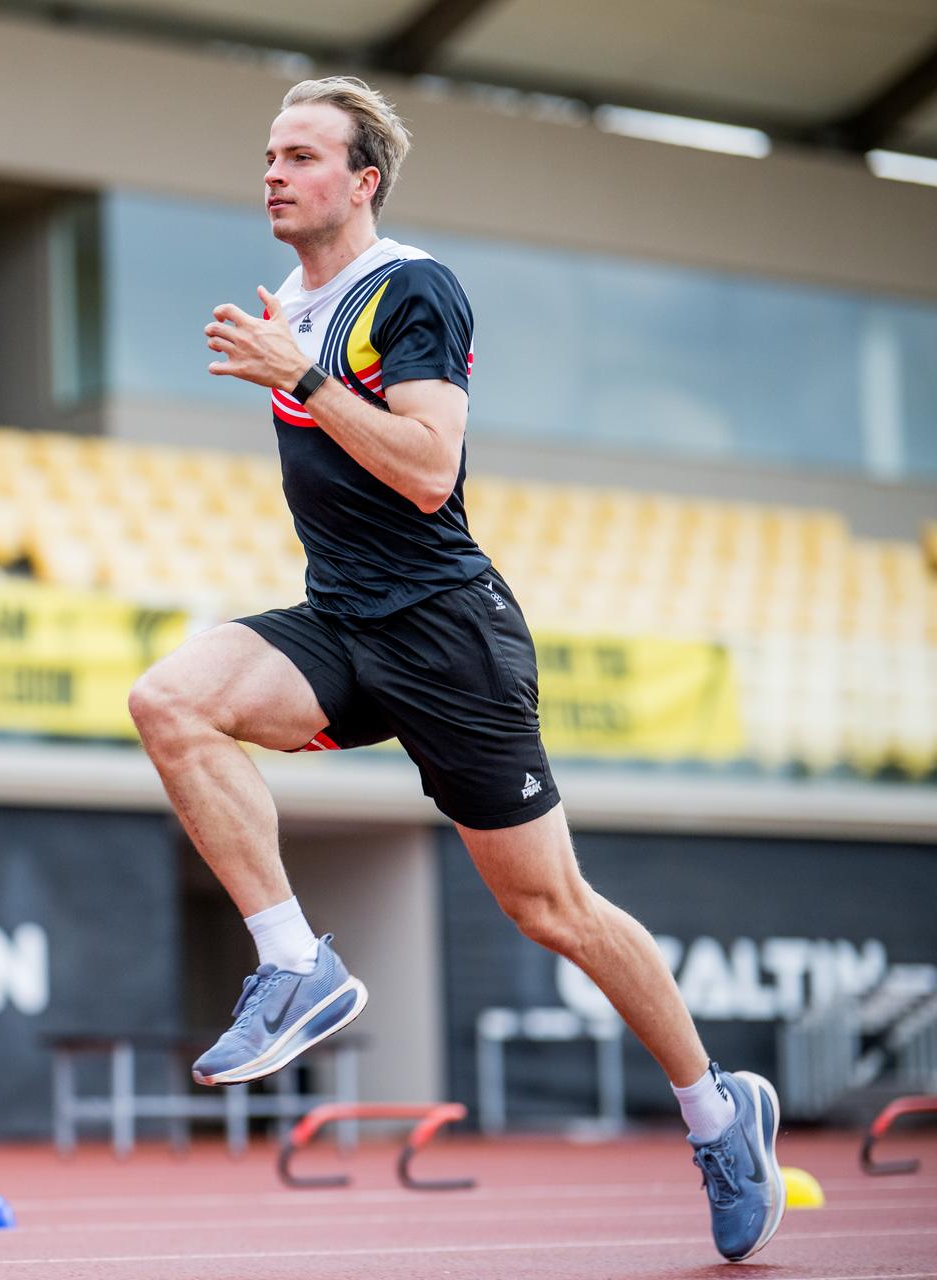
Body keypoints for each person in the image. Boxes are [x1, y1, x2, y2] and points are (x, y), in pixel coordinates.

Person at [126, 76, 783, 1264]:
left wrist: (300, 376)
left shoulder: (409, 288)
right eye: (268, 153)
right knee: (169, 699)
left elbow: (430, 471)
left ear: (362, 180)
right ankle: (295, 961)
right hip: (343, 619)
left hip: (446, 633)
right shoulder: (293, 302)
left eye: (301, 155)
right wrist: (292, 357)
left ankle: (717, 1111)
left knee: (550, 908)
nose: (272, 172)